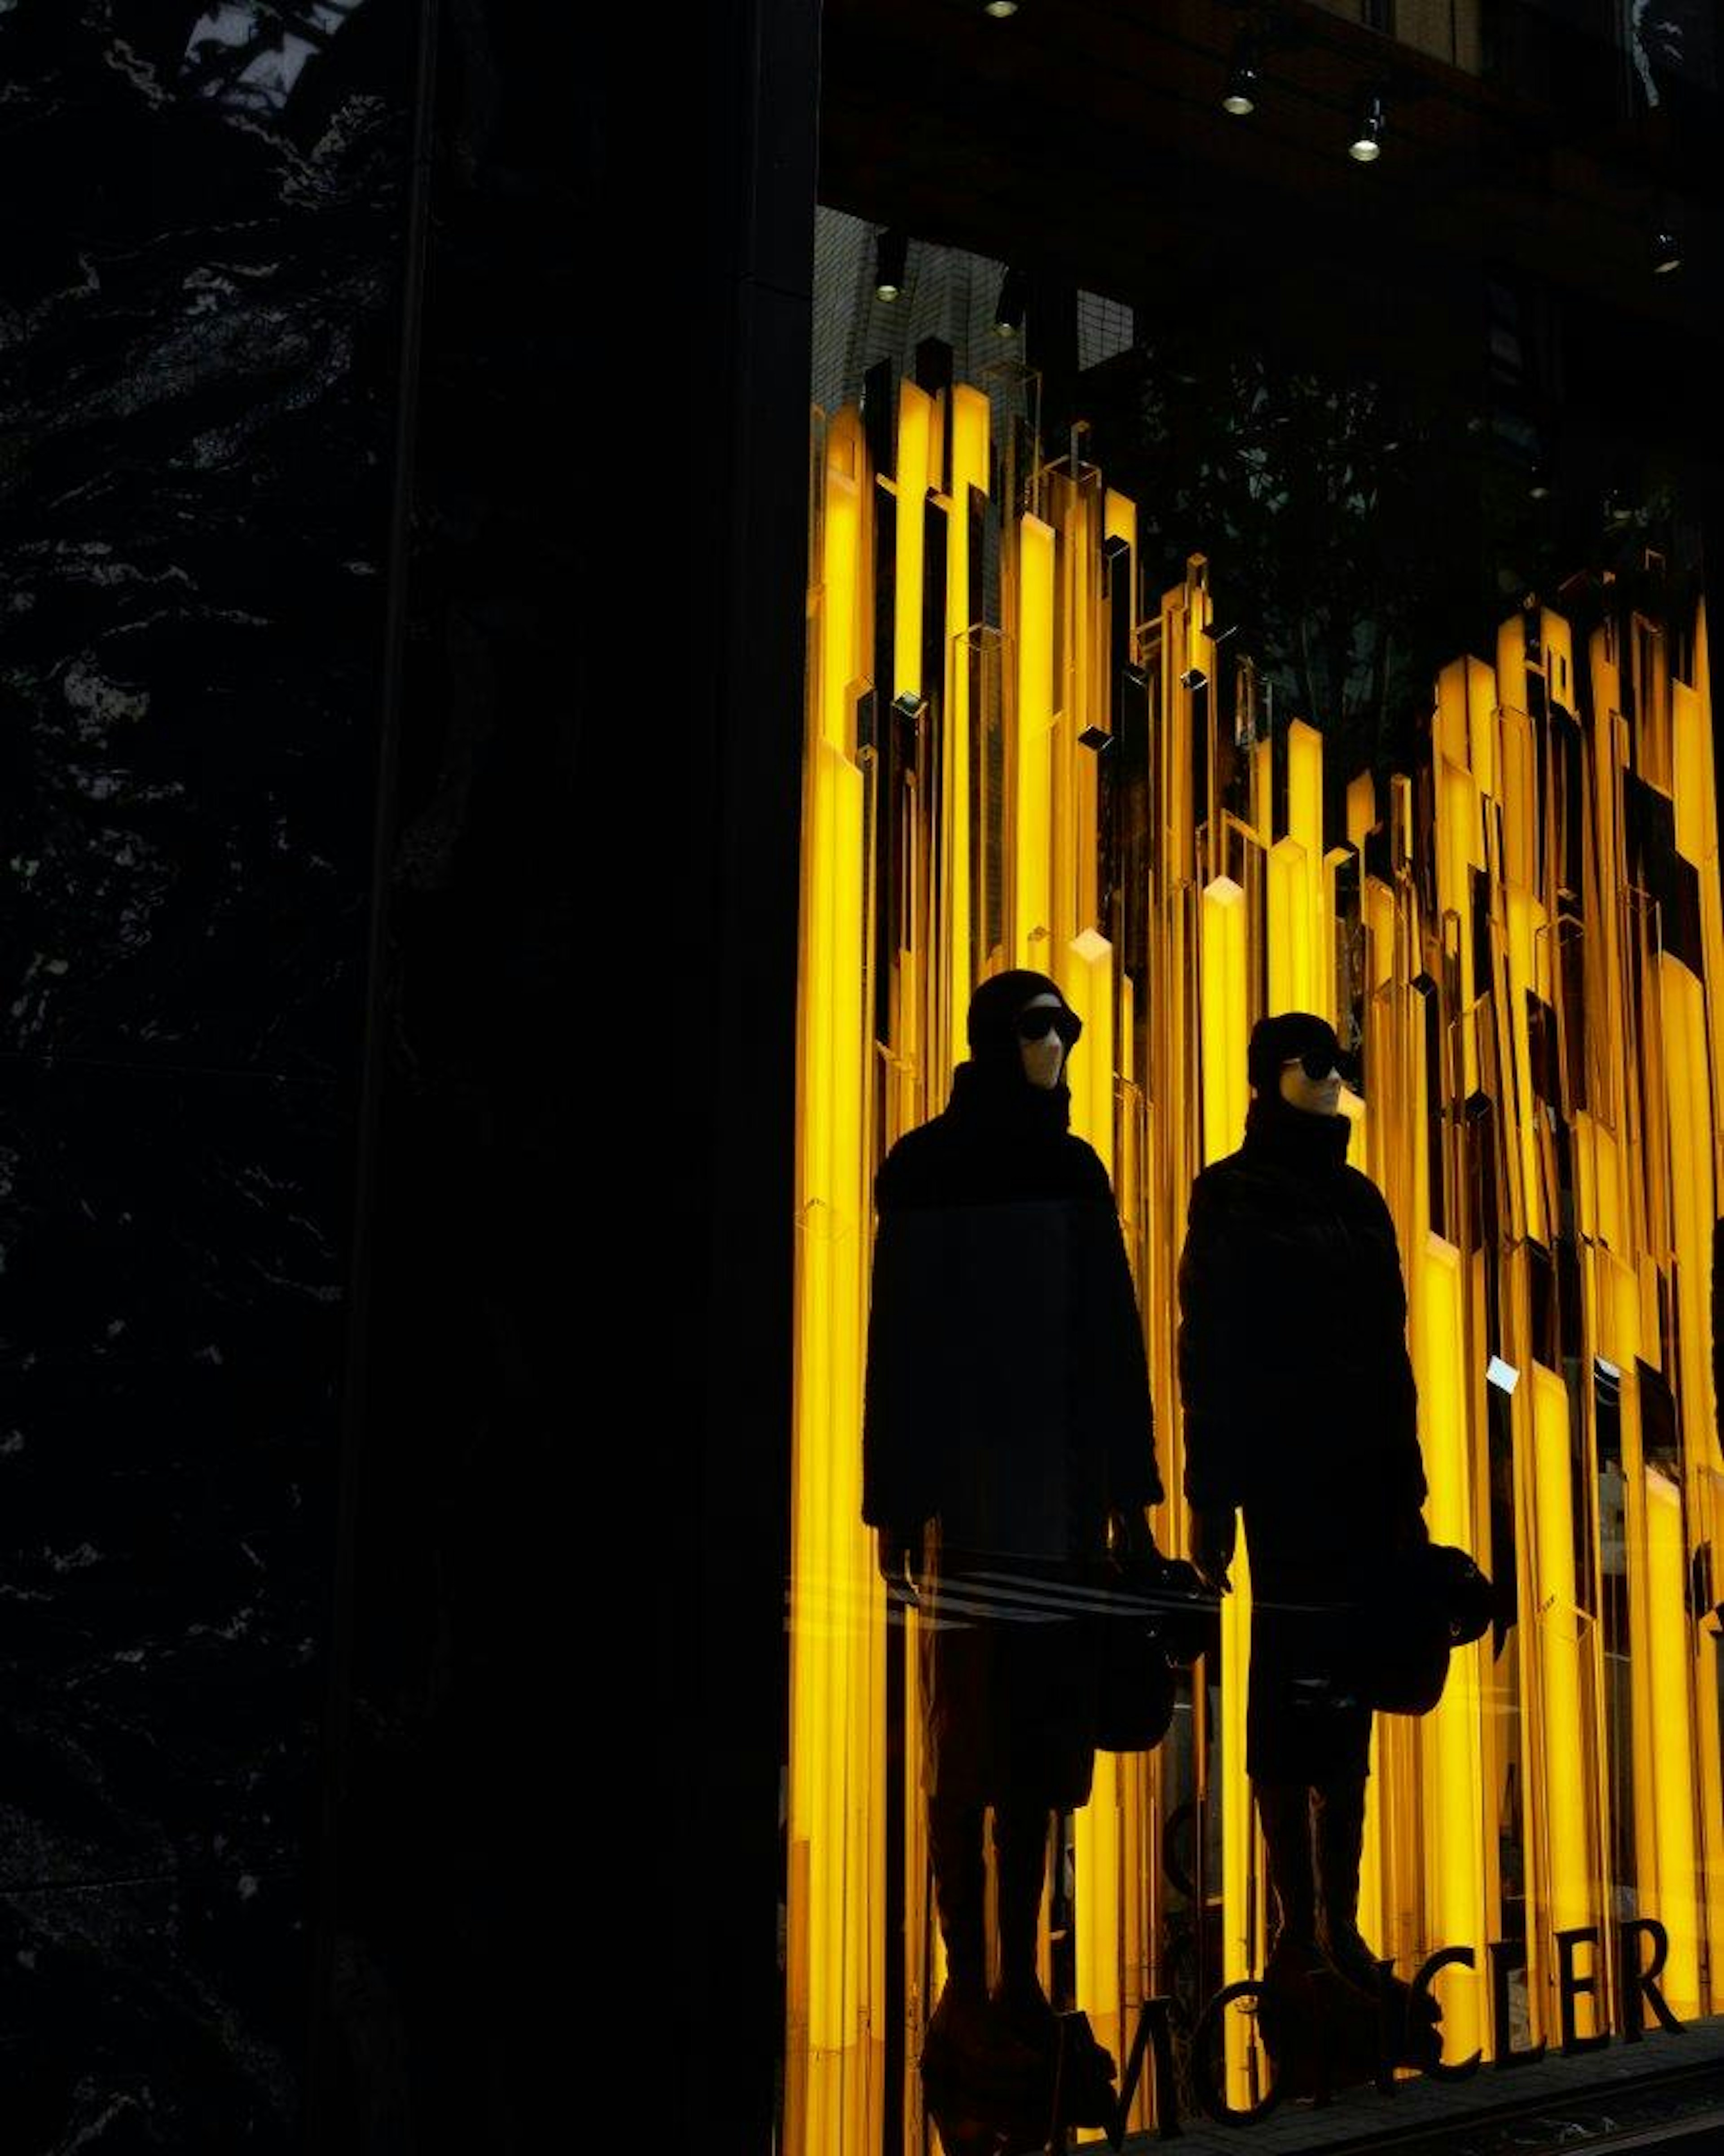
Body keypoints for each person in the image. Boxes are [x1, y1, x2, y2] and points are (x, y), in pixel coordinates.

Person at [862, 969, 1162, 2112]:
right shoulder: (930, 1167)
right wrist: (895, 1495)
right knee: (969, 1754)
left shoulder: (1072, 1170)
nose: (1060, 1046)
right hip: (971, 1514)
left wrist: (1131, 1490)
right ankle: (968, 1980)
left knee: (1032, 1759)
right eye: (1041, 1029)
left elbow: (1112, 1337)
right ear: (999, 1041)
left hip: (1056, 1509)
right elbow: (900, 1342)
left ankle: (1018, 1975)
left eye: (1066, 1028)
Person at [1176, 1010, 1438, 2076]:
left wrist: (1408, 1484)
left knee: (1355, 1712)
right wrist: (1213, 1501)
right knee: (1293, 1698)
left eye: (1342, 1063)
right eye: (1314, 1064)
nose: (1335, 1080)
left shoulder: (1360, 1198)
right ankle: (1298, 1928)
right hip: (1283, 1486)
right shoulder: (1233, 1194)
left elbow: (1394, 1347)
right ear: (1268, 1078)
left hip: (1364, 1488)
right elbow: (1211, 1351)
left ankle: (1339, 1923)